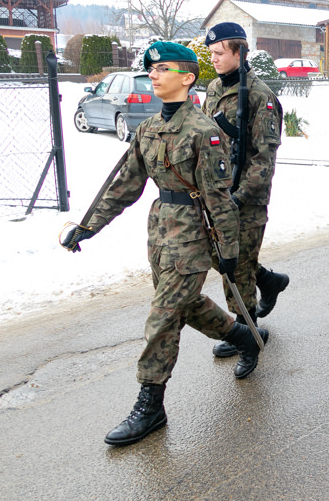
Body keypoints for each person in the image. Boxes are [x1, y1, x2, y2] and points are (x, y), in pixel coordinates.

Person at [61, 42, 266, 446]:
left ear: (187, 78)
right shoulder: (149, 129)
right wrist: (89, 226)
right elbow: (125, 184)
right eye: (150, 69)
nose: (153, 74)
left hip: (193, 234)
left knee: (162, 317)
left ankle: (150, 404)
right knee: (185, 306)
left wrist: (227, 249)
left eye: (163, 69)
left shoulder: (204, 133)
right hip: (160, 231)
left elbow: (219, 198)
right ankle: (242, 336)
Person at [202, 23, 290, 359]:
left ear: (239, 52)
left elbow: (263, 161)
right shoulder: (212, 89)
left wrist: (237, 200)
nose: (213, 59)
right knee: (217, 255)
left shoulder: (259, 96)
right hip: (218, 192)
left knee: (236, 265)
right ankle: (268, 280)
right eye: (211, 53)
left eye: (219, 53)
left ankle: (247, 329)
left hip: (247, 199)